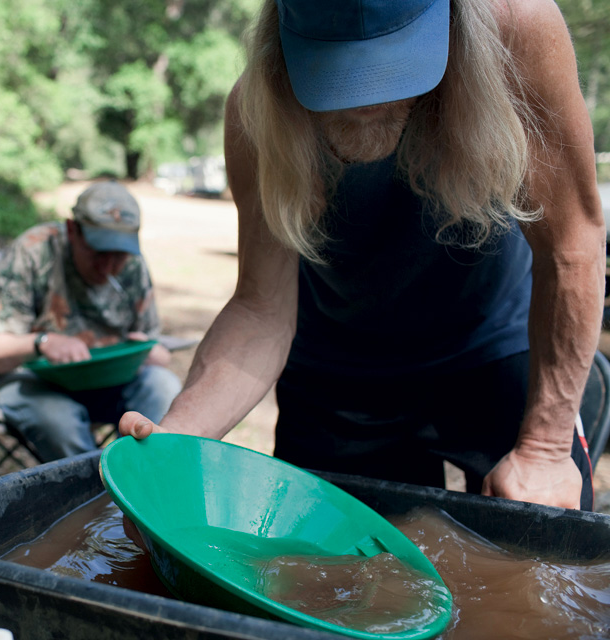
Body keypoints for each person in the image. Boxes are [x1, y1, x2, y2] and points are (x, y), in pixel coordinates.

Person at [120, 0, 605, 511]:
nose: (363, 99)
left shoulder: (517, 27)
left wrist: (545, 449)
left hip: (493, 341)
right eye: (335, 69)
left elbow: (573, 246)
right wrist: (178, 434)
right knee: (331, 579)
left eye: (393, 61)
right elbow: (261, 310)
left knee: (540, 564)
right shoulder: (257, 106)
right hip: (336, 367)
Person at [0, 180, 182, 462]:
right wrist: (41, 342)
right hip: (38, 384)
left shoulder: (132, 266)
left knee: (164, 386)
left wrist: (144, 349)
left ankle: (142, 488)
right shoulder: (35, 251)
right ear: (72, 230)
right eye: (98, 252)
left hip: (112, 382)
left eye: (118, 255)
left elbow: (157, 352)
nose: (108, 266)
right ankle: (91, 496)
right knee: (59, 420)